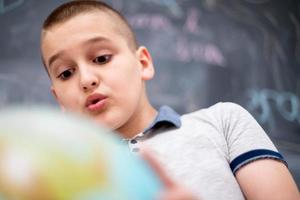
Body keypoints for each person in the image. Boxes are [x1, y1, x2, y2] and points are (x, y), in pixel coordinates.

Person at [40, 1, 299, 199]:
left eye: (101, 58)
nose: (86, 79)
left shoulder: (223, 123)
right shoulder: (53, 181)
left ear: (143, 63)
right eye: (65, 73)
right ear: (59, 99)